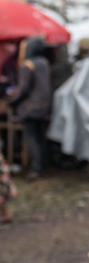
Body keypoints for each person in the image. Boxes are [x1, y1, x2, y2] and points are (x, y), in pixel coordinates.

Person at [6, 37, 52, 180]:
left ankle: (36, 168)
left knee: (31, 138)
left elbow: (23, 89)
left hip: (31, 108)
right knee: (41, 137)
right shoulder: (44, 62)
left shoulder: (28, 64)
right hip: (45, 107)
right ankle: (43, 165)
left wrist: (12, 101)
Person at [0, 149, 15, 223]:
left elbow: (6, 175)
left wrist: (13, 188)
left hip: (3, 186)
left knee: (2, 197)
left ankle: (5, 215)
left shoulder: (2, 161)